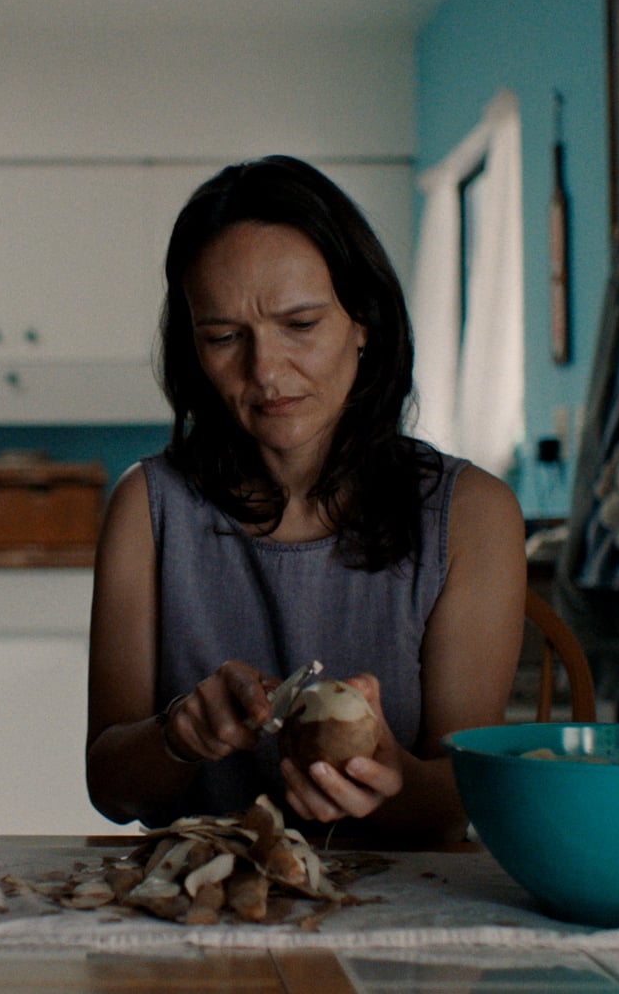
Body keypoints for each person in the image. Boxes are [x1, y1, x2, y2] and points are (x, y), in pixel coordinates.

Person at [85, 156, 526, 844]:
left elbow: (464, 798)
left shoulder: (473, 516)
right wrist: (179, 736)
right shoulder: (147, 508)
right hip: (197, 913)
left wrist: (394, 782)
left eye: (300, 324)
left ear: (364, 322)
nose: (265, 371)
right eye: (224, 337)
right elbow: (111, 791)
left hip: (400, 914)